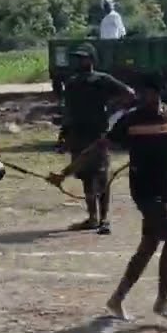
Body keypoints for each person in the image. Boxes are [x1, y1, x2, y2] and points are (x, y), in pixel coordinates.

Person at [50, 78, 167, 320]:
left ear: (158, 93)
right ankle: (162, 300)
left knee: (149, 246)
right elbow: (97, 148)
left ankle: (117, 299)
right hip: (143, 191)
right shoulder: (130, 120)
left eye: (147, 93)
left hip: (165, 191)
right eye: (139, 94)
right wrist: (65, 172)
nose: (141, 98)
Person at [58, 43, 136, 234]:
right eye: (78, 57)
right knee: (85, 177)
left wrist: (111, 108)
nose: (80, 61)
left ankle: (104, 218)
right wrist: (64, 133)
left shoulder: (102, 80)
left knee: (102, 177)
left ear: (92, 60)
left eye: (84, 57)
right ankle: (92, 217)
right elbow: (68, 110)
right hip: (78, 134)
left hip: (97, 135)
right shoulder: (72, 82)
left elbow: (130, 94)